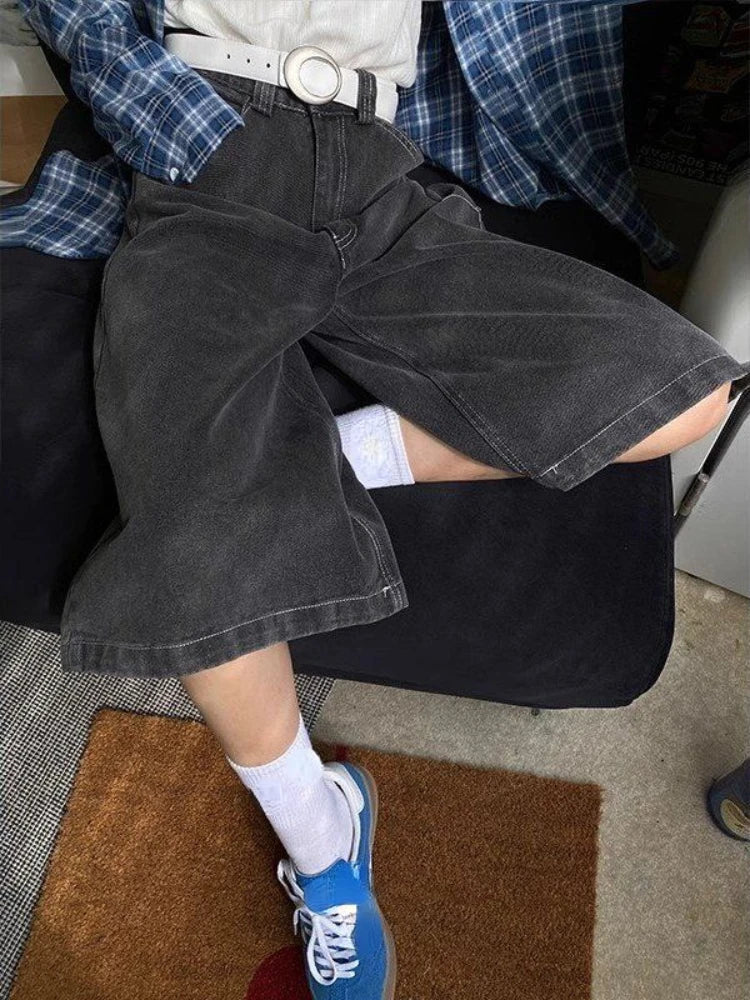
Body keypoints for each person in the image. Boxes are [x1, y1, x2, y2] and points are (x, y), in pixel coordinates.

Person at [11, 2, 750, 996]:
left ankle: (314, 458)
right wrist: (184, 128)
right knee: (189, 554)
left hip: (383, 184)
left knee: (687, 392)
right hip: (205, 171)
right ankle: (325, 845)